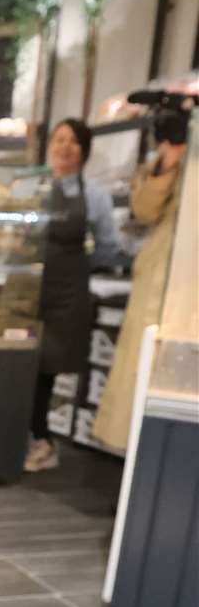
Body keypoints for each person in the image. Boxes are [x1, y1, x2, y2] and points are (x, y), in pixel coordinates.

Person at [25, 117, 125, 473]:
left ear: (84, 151)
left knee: (45, 369)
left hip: (66, 294)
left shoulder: (94, 194)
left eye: (73, 141)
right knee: (22, 364)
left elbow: (109, 246)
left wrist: (78, 268)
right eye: (59, 139)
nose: (64, 147)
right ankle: (23, 437)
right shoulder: (32, 185)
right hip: (27, 290)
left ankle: (41, 441)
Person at [92, 112, 187, 453]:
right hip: (166, 277)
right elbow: (144, 209)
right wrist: (171, 157)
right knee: (147, 372)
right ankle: (142, 469)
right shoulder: (179, 148)